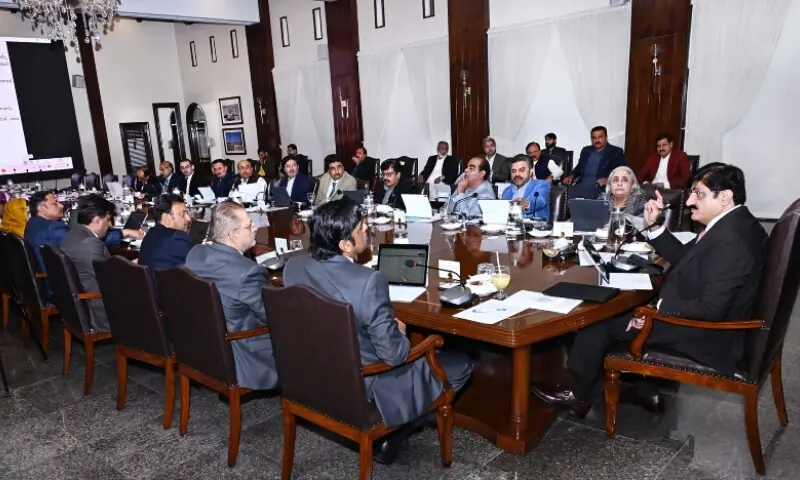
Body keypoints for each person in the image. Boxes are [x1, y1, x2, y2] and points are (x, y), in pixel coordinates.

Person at [531, 164, 768, 417]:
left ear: (725, 197)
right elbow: (688, 258)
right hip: (710, 319)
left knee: (599, 320)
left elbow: (711, 309)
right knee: (628, 306)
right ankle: (645, 388)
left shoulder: (732, 240)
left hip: (710, 335)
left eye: (698, 194)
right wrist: (654, 227)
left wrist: (656, 310)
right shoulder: (736, 224)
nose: (689, 201)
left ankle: (577, 395)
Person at [283, 199, 473, 463]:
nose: (367, 231)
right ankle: (397, 430)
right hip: (364, 383)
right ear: (345, 245)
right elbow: (394, 356)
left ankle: (397, 428)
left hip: (312, 373)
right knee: (460, 364)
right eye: (362, 228)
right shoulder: (368, 282)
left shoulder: (293, 266)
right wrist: (400, 330)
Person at [185, 201, 278, 391]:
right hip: (243, 357)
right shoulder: (248, 272)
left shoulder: (195, 253)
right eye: (250, 225)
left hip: (201, 347)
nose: (255, 228)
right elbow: (273, 316)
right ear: (233, 234)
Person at [24, 191, 141, 273]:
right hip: (58, 285)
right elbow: (86, 241)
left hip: (47, 278)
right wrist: (123, 233)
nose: (61, 205)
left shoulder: (32, 224)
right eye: (55, 203)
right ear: (41, 208)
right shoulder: (53, 228)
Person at [59, 195, 118, 332]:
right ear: (97, 220)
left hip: (77, 307)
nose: (110, 225)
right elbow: (110, 281)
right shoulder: (90, 244)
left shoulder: (72, 234)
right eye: (108, 220)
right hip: (101, 315)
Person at [138, 194, 195, 275]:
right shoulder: (177, 239)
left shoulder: (150, 234)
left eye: (187, 213)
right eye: (183, 214)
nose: (188, 219)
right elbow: (202, 263)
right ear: (167, 218)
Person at [563, 126, 626, 199]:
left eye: (600, 137)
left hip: (600, 187)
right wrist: (571, 176)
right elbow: (579, 167)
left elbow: (621, 172)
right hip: (582, 184)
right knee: (563, 195)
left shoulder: (616, 152)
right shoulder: (586, 150)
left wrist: (608, 180)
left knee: (588, 199)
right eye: (594, 138)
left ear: (606, 137)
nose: (597, 140)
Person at [500, 155, 551, 222]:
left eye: (521, 170)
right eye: (513, 171)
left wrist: (526, 203)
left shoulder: (541, 185)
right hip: (510, 226)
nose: (517, 174)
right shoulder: (507, 191)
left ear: (531, 171)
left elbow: (540, 200)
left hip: (535, 226)